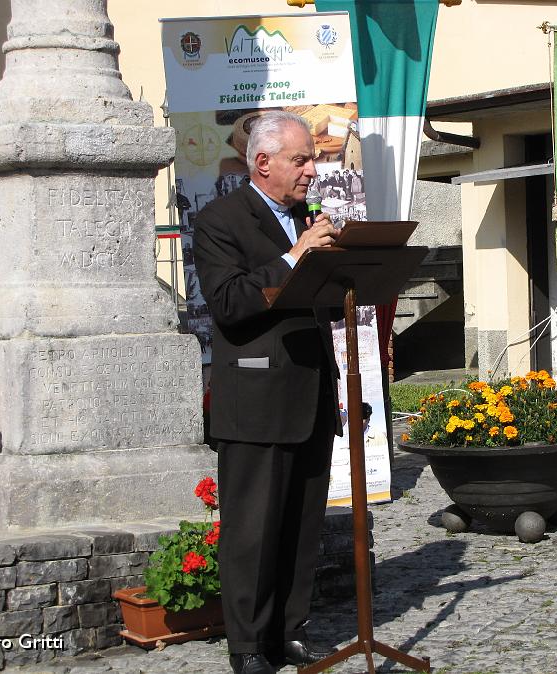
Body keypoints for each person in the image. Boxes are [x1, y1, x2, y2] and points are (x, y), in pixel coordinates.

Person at [193, 111, 341, 674]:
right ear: (263, 163)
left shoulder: (304, 216)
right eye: (301, 159)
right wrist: (294, 257)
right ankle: (249, 646)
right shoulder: (220, 220)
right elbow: (228, 303)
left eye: (313, 158)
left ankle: (290, 633)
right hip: (255, 398)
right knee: (253, 532)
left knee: (303, 525)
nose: (312, 169)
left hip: (310, 391)